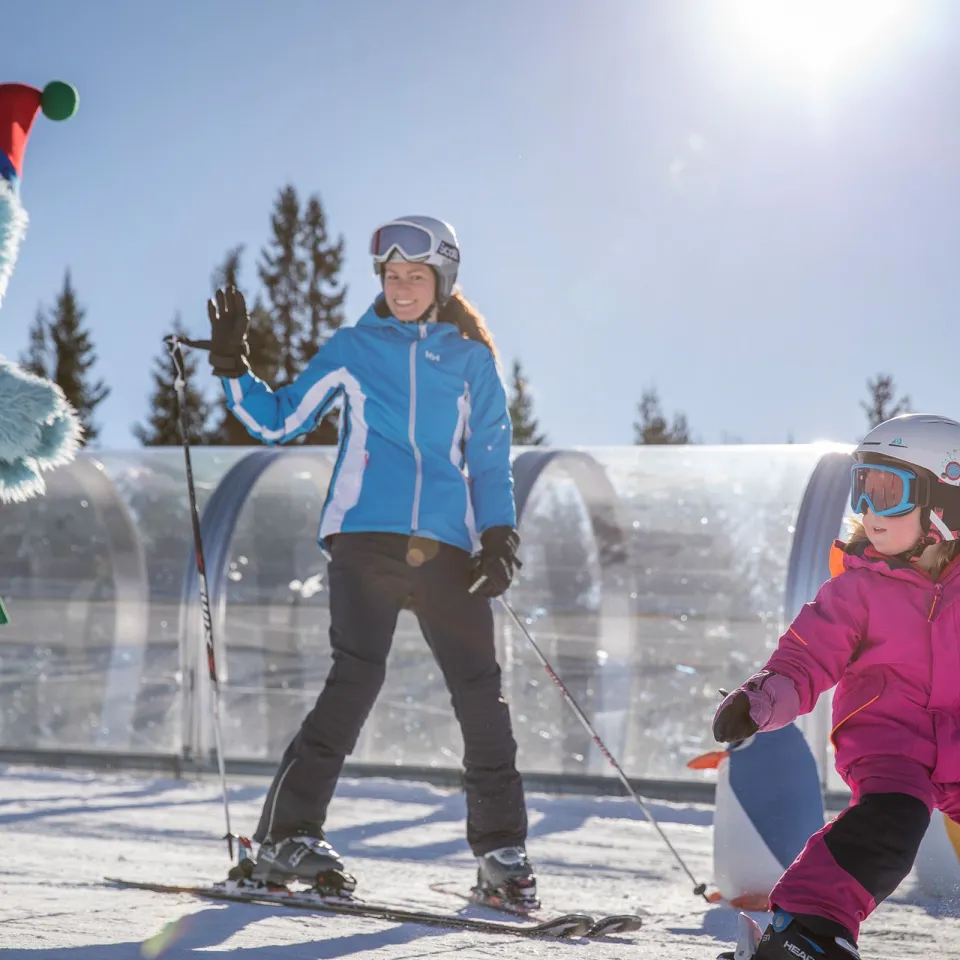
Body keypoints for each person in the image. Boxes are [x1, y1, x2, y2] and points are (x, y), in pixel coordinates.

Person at [207, 215, 536, 909]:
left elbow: (488, 457)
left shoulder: (471, 359)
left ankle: (502, 852)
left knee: (480, 691)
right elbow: (278, 419)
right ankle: (287, 835)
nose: (403, 287)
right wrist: (234, 366)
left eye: (416, 276)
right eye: (392, 277)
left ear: (442, 281)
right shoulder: (355, 349)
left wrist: (499, 537)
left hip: (447, 546)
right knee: (356, 677)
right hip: (366, 537)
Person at [713, 412, 960, 960]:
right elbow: (806, 656)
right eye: (863, 491)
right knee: (891, 825)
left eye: (889, 493)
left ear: (946, 502)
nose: (870, 510)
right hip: (889, 740)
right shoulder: (857, 590)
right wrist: (761, 700)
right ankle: (808, 923)